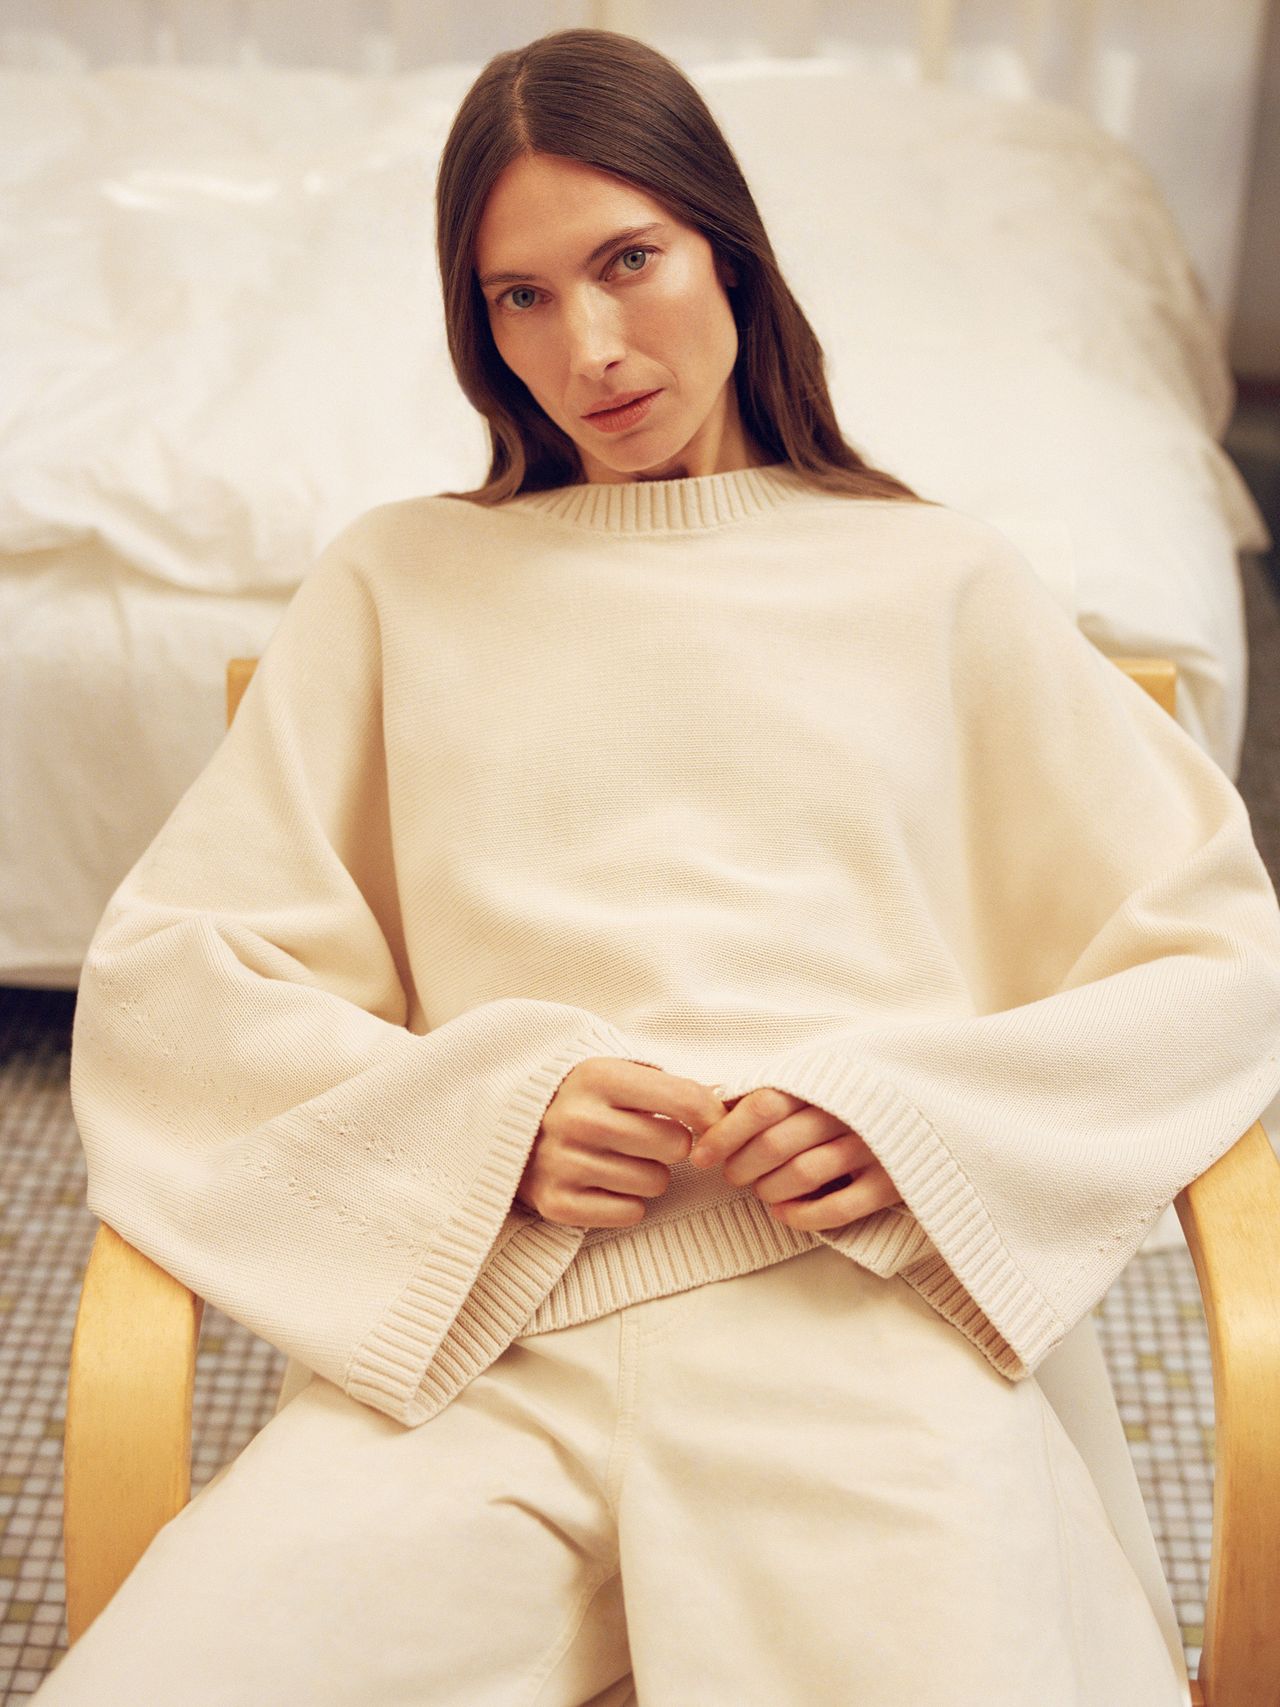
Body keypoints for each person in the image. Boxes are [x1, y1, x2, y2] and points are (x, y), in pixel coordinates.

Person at [38, 26, 1280, 1707]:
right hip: (492, 1348)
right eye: (521, 297)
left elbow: (1213, 954)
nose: (592, 349)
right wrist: (496, 1118)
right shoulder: (399, 581)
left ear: (729, 254)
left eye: (629, 261)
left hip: (852, 1333)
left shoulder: (938, 581)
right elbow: (172, 984)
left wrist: (911, 1125)